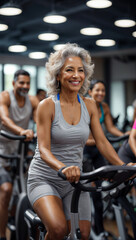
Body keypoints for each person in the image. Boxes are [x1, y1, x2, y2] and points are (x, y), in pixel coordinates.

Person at [27, 43, 132, 240]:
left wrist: (123, 166)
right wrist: (63, 168)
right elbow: (44, 149)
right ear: (58, 75)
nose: (76, 75)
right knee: (59, 230)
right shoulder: (47, 106)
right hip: (45, 178)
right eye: (69, 70)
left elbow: (102, 142)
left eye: (80, 70)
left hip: (75, 181)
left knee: (83, 234)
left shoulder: (89, 105)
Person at [83, 79, 129, 236]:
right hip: (84, 152)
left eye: (103, 90)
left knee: (107, 181)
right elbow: (80, 135)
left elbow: (110, 128)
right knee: (95, 194)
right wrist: (99, 140)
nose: (100, 93)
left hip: (97, 150)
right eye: (97, 90)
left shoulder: (104, 107)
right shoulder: (84, 106)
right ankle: (95, 229)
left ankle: (99, 230)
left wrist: (125, 135)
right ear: (89, 91)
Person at [0, 69, 39, 240]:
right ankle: (2, 235)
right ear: (13, 83)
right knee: (6, 190)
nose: (25, 86)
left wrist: (39, 131)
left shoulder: (32, 100)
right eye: (21, 82)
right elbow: (5, 120)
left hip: (20, 153)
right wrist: (22, 131)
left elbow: (40, 119)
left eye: (28, 83)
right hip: (2, 154)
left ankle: (17, 223)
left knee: (25, 192)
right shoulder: (5, 97)